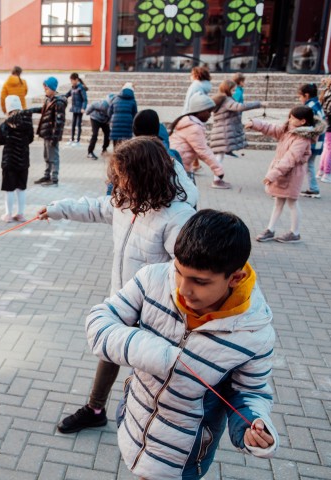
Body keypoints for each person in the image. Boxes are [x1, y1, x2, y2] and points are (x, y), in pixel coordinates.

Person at [86, 209, 279, 479]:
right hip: (133, 425)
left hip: (182, 456)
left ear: (235, 278)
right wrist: (157, 353)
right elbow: (98, 324)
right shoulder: (152, 279)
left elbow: (250, 393)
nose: (183, 289)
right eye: (178, 271)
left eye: (200, 282)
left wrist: (252, 426)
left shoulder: (255, 334)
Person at [39, 138, 197, 435]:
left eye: (124, 177)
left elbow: (188, 270)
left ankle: (153, 422)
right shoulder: (127, 201)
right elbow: (95, 208)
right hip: (123, 297)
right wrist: (57, 209)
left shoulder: (177, 217)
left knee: (149, 367)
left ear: (144, 175)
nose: (118, 183)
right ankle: (95, 410)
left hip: (156, 312)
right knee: (109, 350)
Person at [249, 107, 325, 244]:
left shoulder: (302, 138)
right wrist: (255, 124)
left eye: (293, 118)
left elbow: (290, 159)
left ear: (302, 121)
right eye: (289, 116)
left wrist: (272, 174)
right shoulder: (288, 129)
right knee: (279, 201)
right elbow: (272, 128)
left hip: (292, 175)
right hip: (283, 172)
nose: (289, 120)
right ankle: (270, 230)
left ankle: (295, 233)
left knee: (292, 202)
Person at [132, 109, 197, 200]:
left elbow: (114, 188)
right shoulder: (172, 156)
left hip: (136, 203)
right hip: (169, 202)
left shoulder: (127, 156)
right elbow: (185, 186)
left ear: (134, 131)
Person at [170, 94, 230, 189]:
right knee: (189, 195)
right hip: (180, 167)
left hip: (179, 164)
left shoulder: (189, 122)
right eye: (208, 111)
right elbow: (203, 151)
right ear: (199, 111)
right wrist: (218, 169)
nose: (210, 115)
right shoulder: (194, 128)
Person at [0, 95, 34, 223]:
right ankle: (21, 213)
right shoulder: (27, 123)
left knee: (9, 189)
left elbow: (0, 140)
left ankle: (8, 214)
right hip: (23, 160)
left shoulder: (4, 125)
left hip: (9, 161)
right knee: (21, 188)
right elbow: (30, 139)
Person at [209, 80, 264, 166]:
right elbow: (240, 107)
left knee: (220, 156)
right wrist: (259, 104)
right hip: (224, 131)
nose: (234, 92)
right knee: (219, 156)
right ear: (227, 89)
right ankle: (217, 173)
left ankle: (217, 173)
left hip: (221, 130)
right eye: (233, 90)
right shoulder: (227, 100)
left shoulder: (221, 99)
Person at [30, 77, 67, 187]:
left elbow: (59, 122)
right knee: (47, 155)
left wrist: (55, 138)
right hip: (46, 133)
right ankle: (47, 175)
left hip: (52, 135)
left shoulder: (59, 102)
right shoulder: (48, 99)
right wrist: (31, 110)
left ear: (52, 88)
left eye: (46, 88)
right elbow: (43, 110)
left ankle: (54, 179)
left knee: (53, 156)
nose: (44, 90)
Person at [298, 84, 326, 198]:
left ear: (306, 95)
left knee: (306, 165)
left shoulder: (309, 108)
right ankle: (313, 188)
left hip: (312, 141)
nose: (299, 99)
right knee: (309, 164)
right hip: (318, 141)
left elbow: (309, 126)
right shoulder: (316, 104)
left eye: (300, 96)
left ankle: (313, 189)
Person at [109, 82, 138, 148]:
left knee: (116, 147)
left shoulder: (115, 99)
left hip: (115, 126)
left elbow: (109, 112)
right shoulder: (133, 101)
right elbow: (135, 115)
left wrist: (112, 120)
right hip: (127, 126)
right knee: (126, 147)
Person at [85, 93, 113, 160]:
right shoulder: (102, 105)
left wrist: (108, 121)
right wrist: (87, 112)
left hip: (104, 120)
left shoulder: (113, 107)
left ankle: (104, 150)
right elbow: (93, 105)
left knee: (108, 134)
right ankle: (90, 152)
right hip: (95, 118)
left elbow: (112, 115)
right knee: (95, 134)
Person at [66, 73, 88, 147]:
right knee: (73, 124)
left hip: (80, 109)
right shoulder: (72, 87)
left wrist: (83, 108)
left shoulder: (81, 88)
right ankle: (72, 139)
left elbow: (85, 100)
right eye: (71, 80)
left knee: (78, 125)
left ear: (76, 80)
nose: (71, 82)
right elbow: (67, 94)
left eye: (72, 80)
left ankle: (77, 141)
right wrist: (60, 96)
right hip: (74, 108)